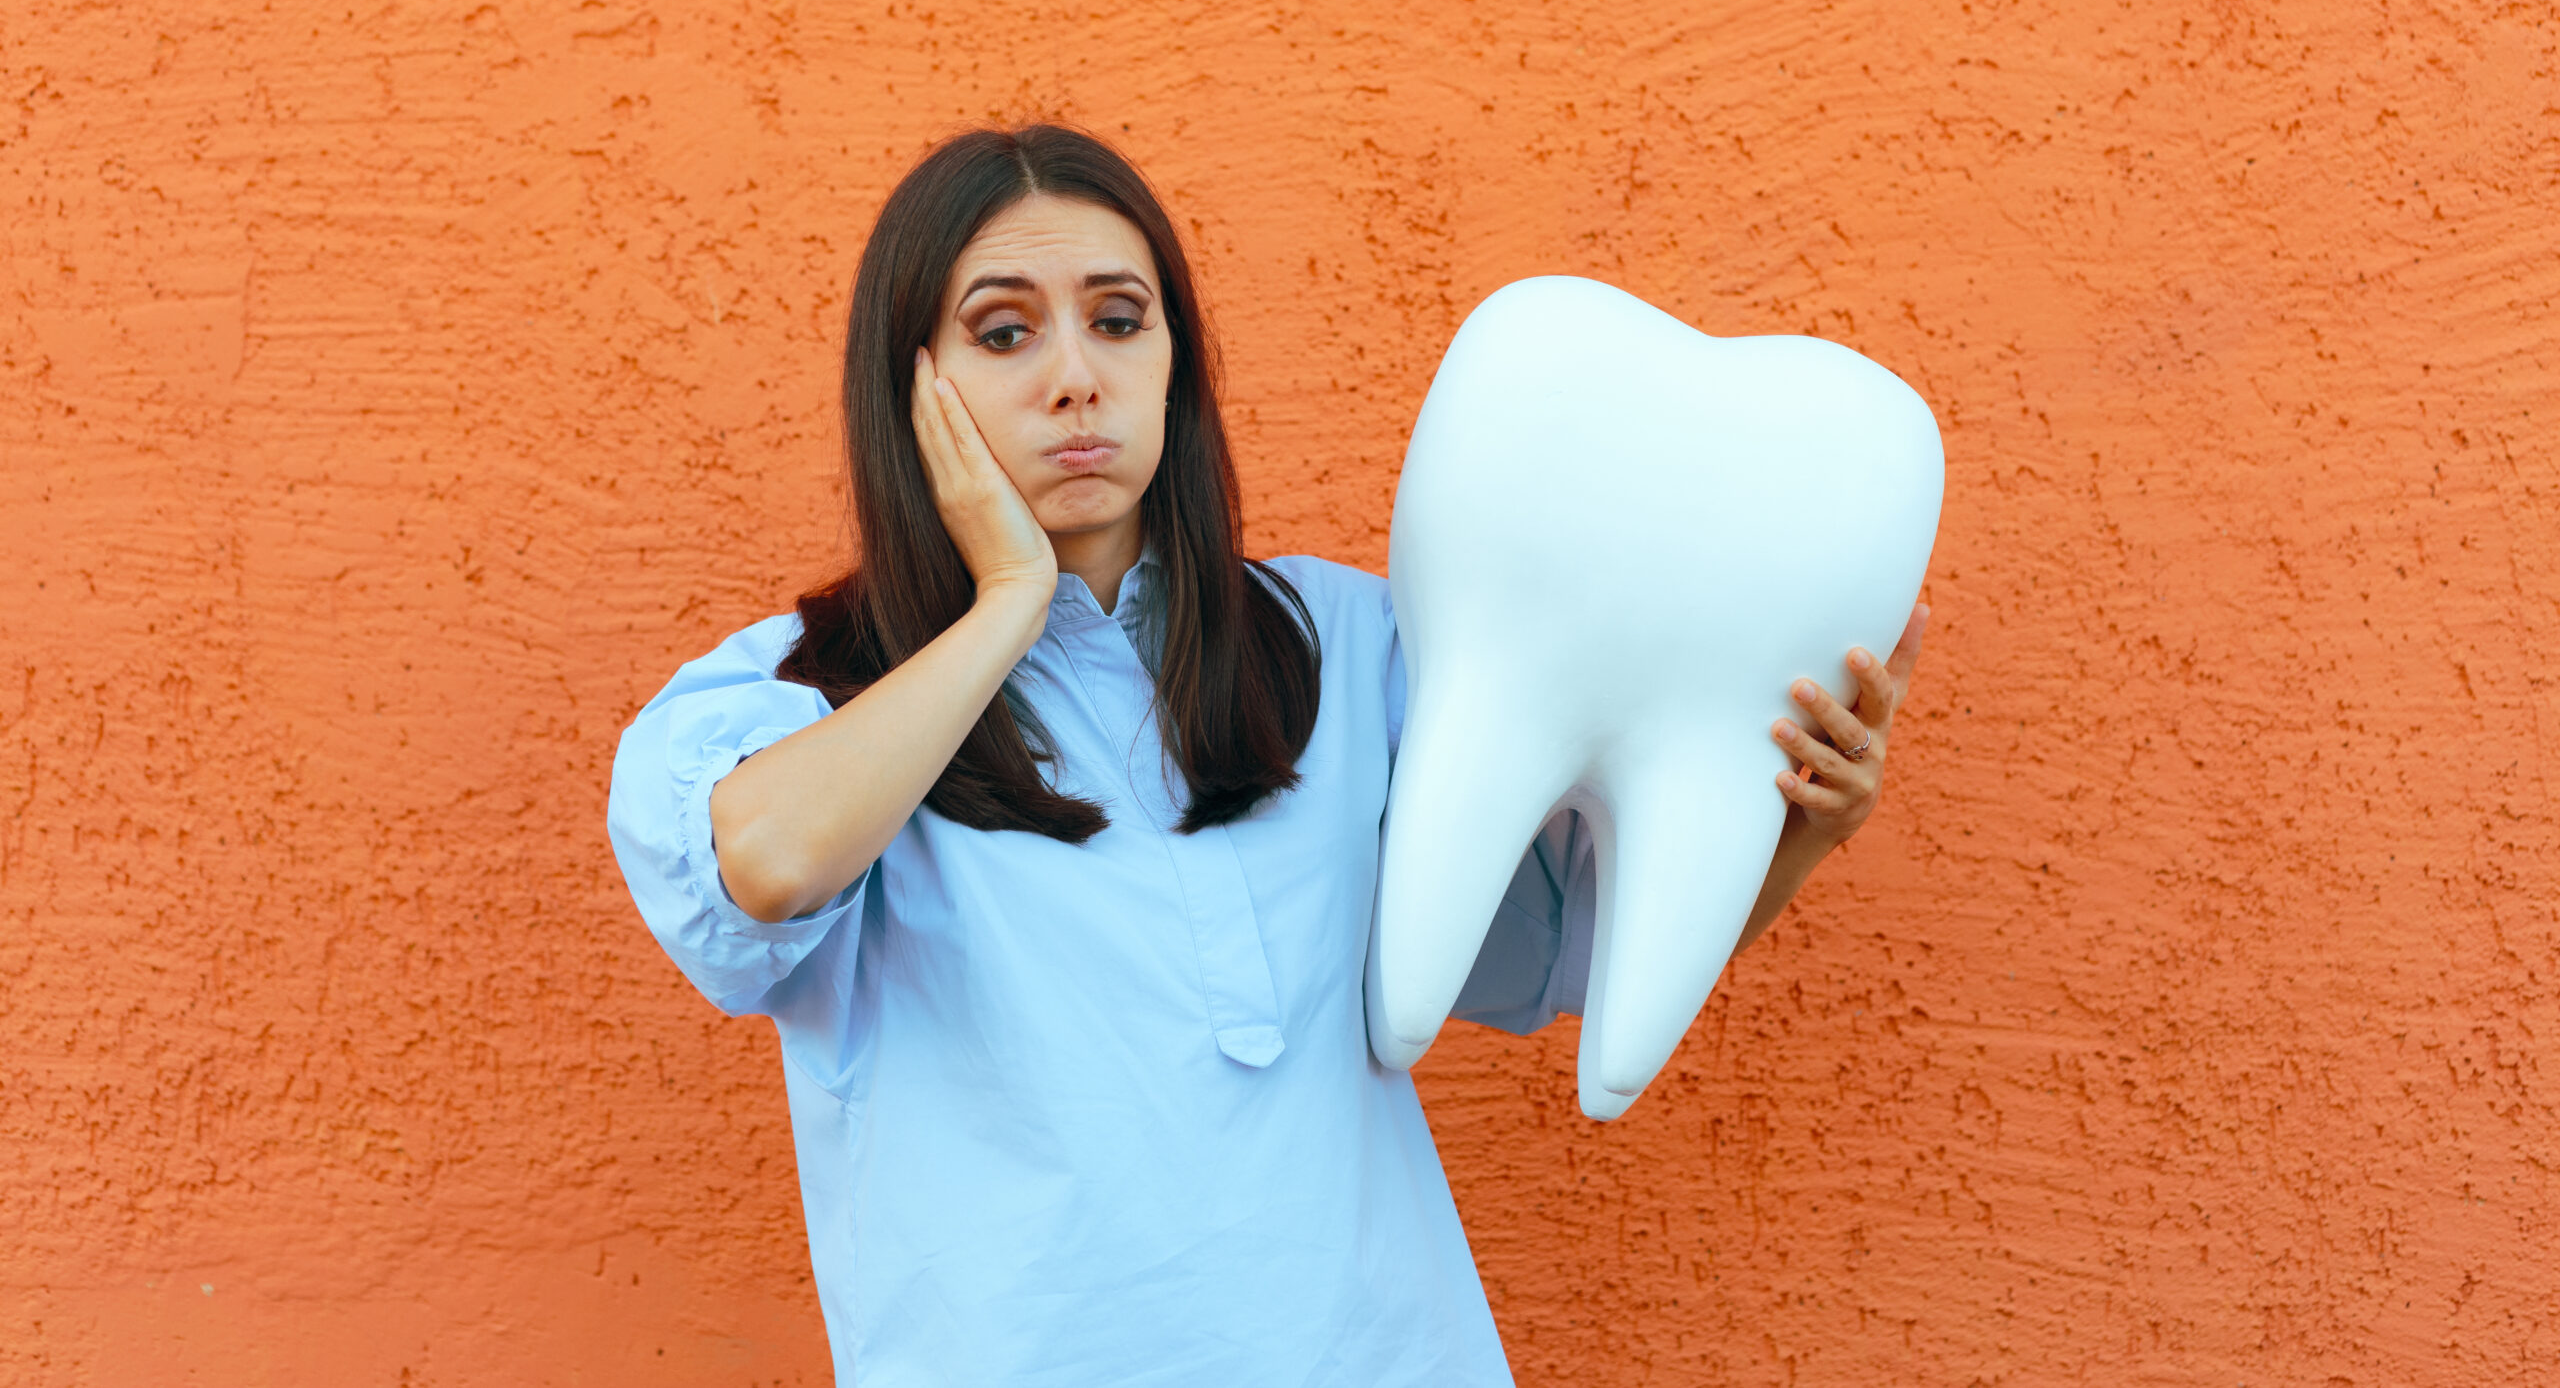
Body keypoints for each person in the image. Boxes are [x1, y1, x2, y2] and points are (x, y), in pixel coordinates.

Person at [605, 124, 1928, 1386]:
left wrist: (1808, 821)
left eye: (1120, 321)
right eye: (1003, 332)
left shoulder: (1339, 647)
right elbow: (760, 874)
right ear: (910, 386)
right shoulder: (800, 687)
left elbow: (1551, 950)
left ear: (1175, 362)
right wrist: (1005, 604)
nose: (1076, 376)